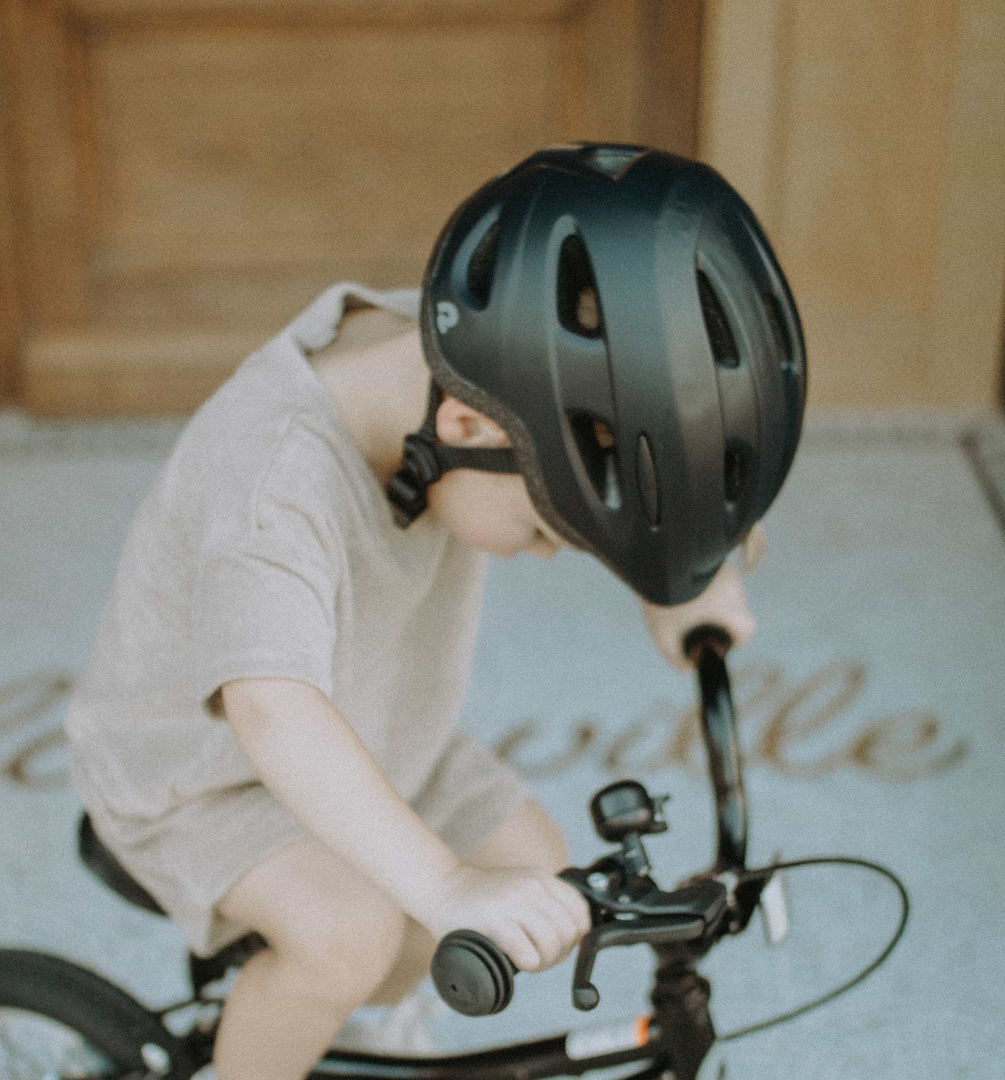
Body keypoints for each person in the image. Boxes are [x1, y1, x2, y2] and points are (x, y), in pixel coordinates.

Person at [64, 143, 806, 1080]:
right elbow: (272, 712)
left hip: (383, 722)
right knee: (352, 935)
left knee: (542, 871)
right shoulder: (270, 489)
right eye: (549, 532)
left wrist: (681, 572)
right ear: (464, 428)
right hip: (200, 774)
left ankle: (351, 1017)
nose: (549, 555)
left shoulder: (468, 366)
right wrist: (445, 883)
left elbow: (613, 427)